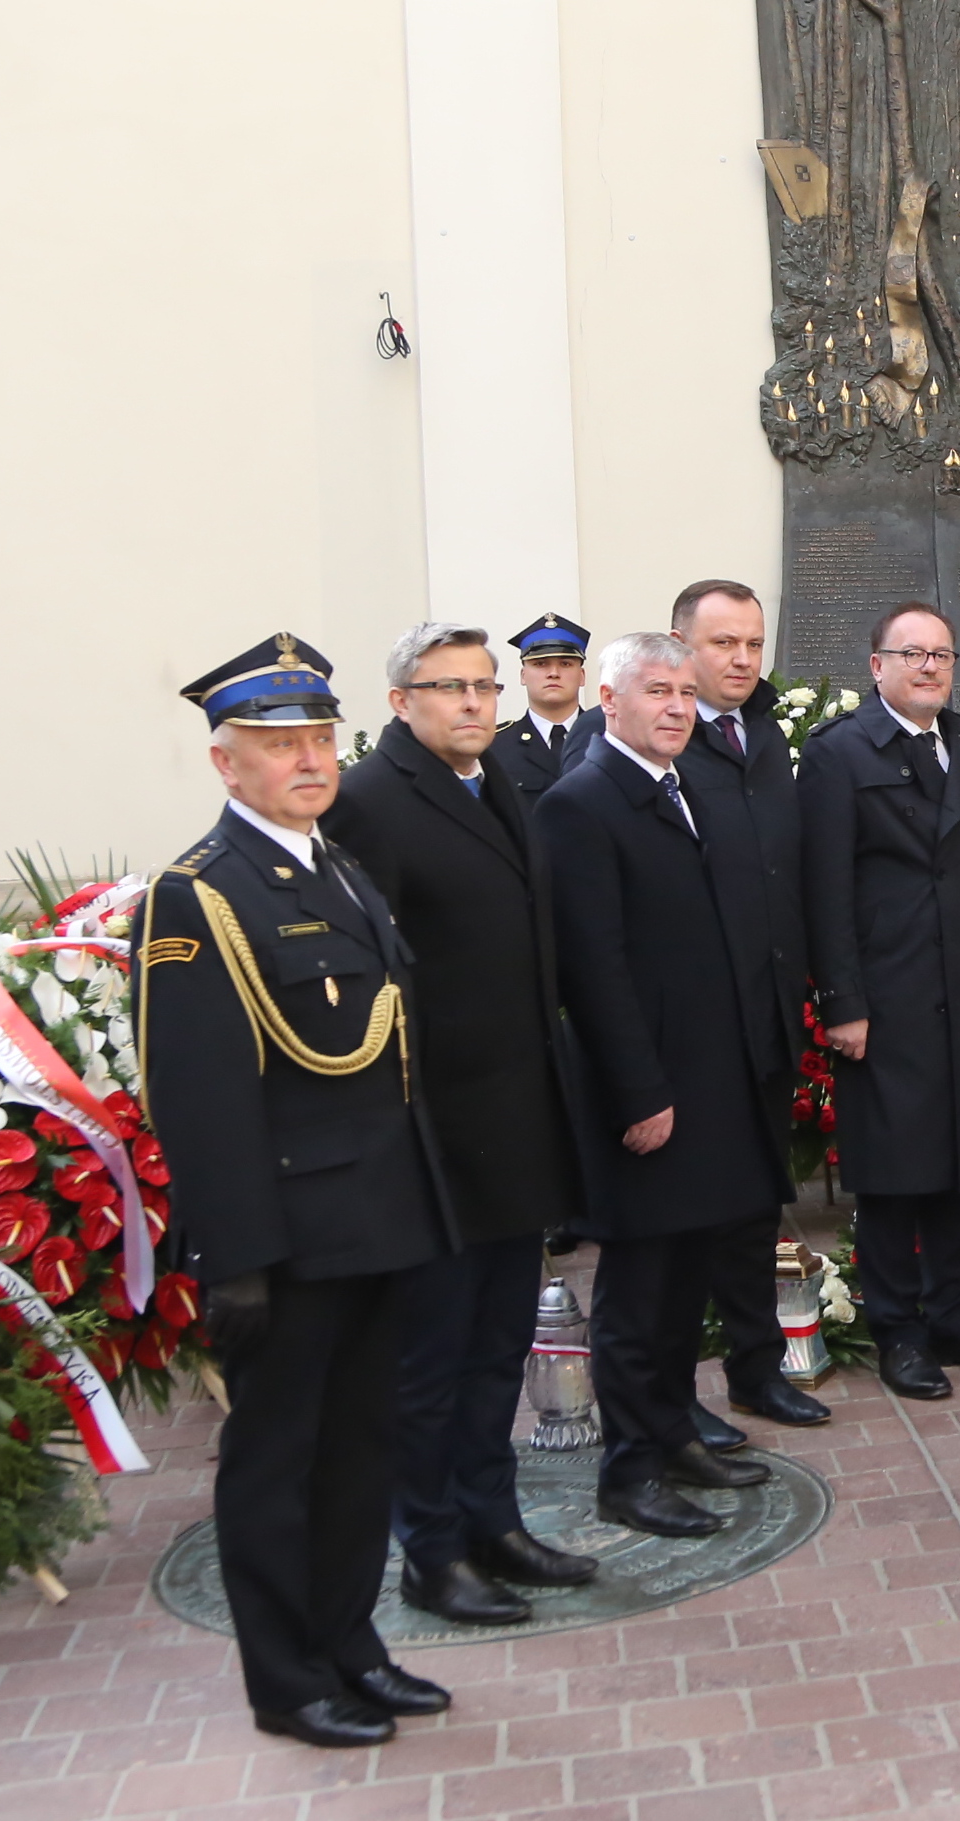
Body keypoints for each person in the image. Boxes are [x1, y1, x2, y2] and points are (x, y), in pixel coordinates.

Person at [133, 635, 457, 1747]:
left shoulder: (337, 868)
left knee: (361, 1451)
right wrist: (238, 1258)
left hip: (373, 1220)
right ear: (229, 764)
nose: (308, 759)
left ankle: (350, 1645)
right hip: (288, 1238)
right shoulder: (202, 898)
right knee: (276, 1467)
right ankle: (286, 1679)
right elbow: (202, 1096)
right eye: (279, 745)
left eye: (318, 737)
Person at [327, 623, 594, 1626]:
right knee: (430, 1359)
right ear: (401, 701)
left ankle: (494, 1521)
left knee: (495, 1347)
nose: (476, 703)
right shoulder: (369, 803)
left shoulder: (492, 783)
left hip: (513, 1122)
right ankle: (430, 1551)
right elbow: (363, 992)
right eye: (452, 688)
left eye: (485, 686)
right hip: (434, 1134)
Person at [536, 633, 797, 1537]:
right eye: (658, 691)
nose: (679, 707)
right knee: (639, 1292)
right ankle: (630, 1468)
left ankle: (675, 1428)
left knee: (686, 1279)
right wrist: (640, 1093)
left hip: (710, 1084)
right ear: (609, 700)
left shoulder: (678, 790)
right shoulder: (583, 803)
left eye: (687, 692)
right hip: (647, 1095)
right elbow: (595, 970)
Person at [799, 601, 960, 1400]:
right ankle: (898, 1331)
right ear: (877, 666)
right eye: (912, 654)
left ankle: (955, 1318)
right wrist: (841, 1001)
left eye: (941, 655)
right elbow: (824, 890)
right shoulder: (837, 753)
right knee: (896, 1173)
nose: (929, 666)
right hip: (886, 996)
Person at [661, 580, 829, 1437]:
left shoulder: (762, 733)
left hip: (765, 1015)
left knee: (756, 1205)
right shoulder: (651, 739)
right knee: (689, 1217)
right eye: (722, 643)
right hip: (692, 1028)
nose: (740, 660)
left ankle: (757, 1372)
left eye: (752, 644)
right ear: (680, 643)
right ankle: (672, 1399)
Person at [494, 613, 589, 811]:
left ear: (581, 676)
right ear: (523, 675)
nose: (553, 673)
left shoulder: (609, 737)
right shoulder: (495, 746)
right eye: (540, 664)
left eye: (565, 664)